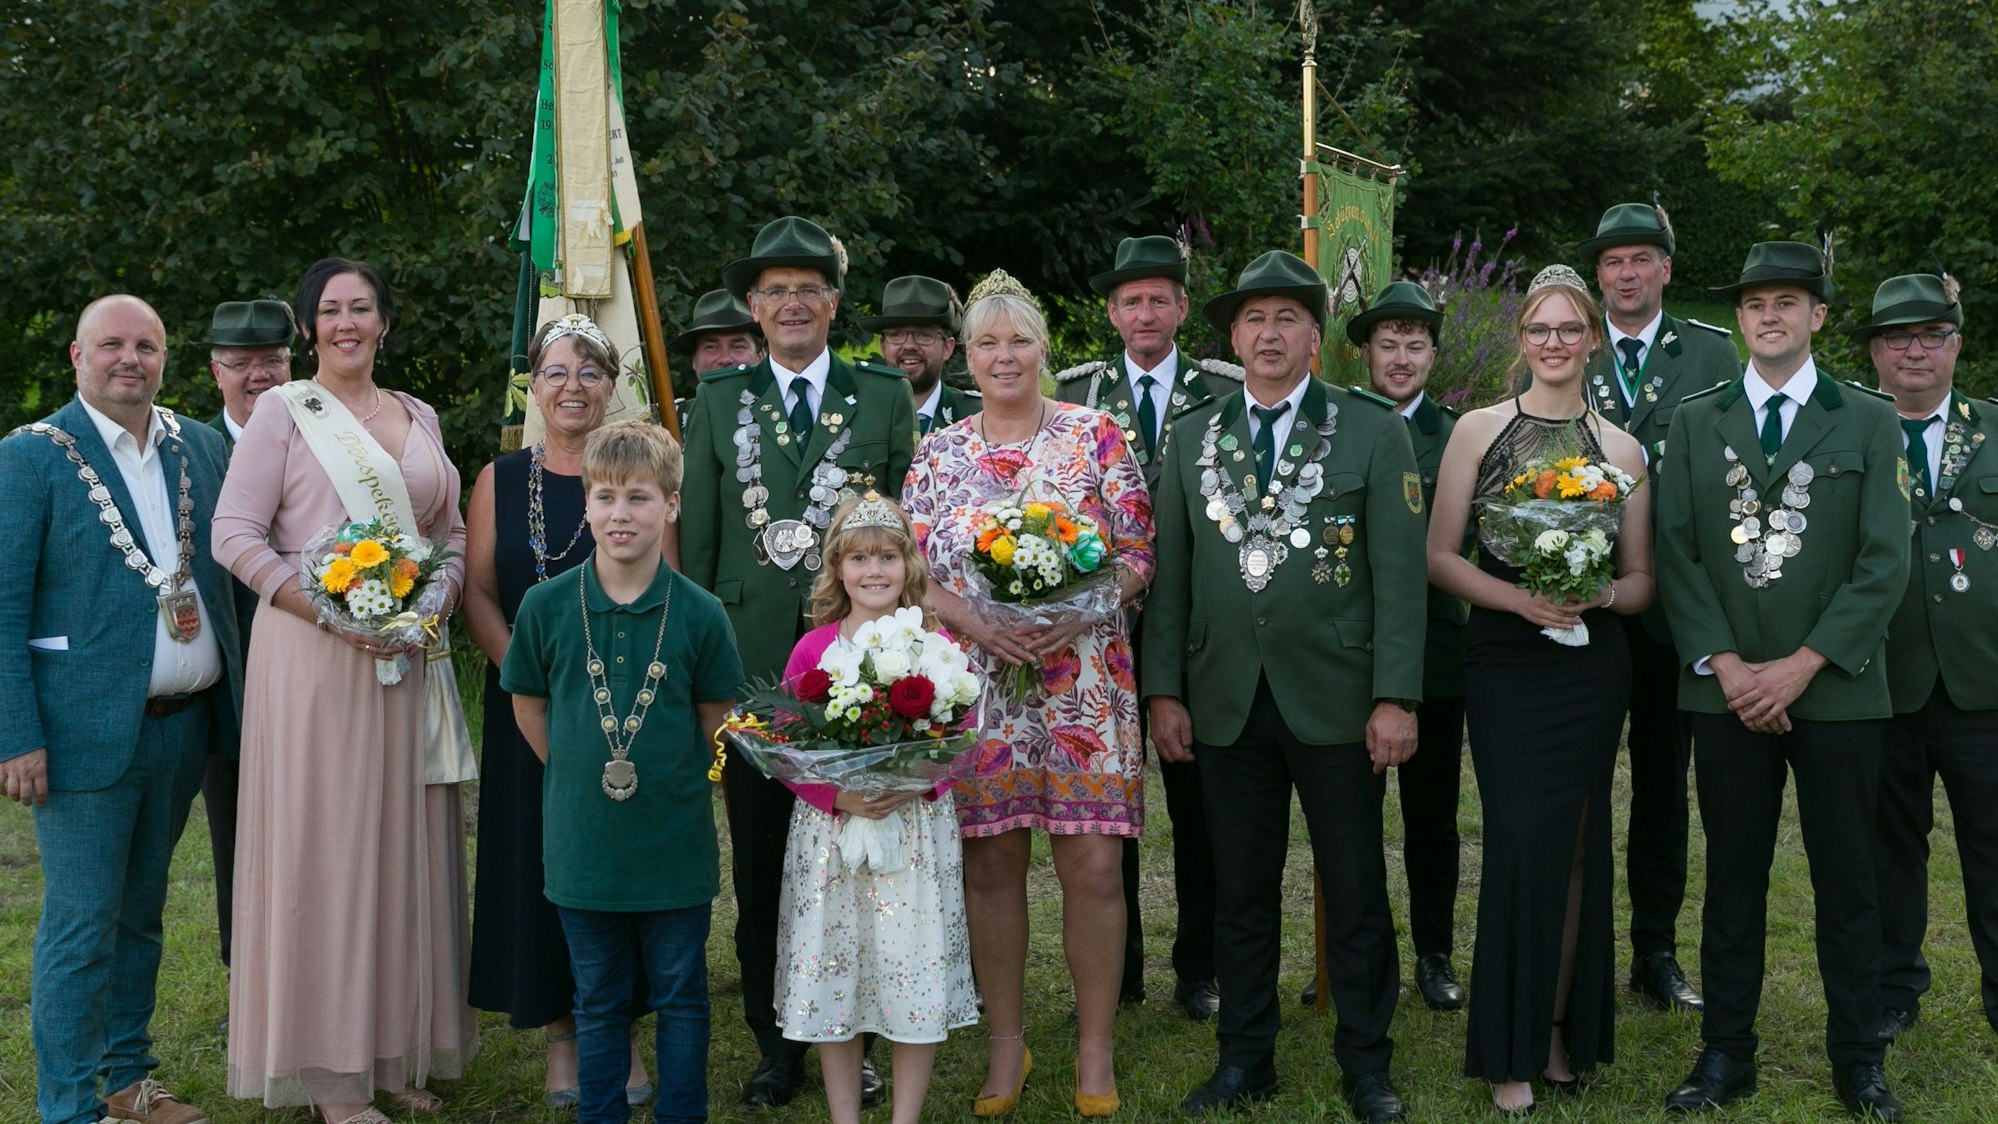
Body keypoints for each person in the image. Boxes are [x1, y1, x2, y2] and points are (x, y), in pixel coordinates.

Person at [1144, 251, 1425, 1123]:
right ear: (1232, 336)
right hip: (1224, 699)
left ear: (1315, 339)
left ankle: (1367, 1064)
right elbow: (1171, 578)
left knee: (1354, 888)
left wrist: (1396, 696)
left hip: (1339, 700)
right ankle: (1245, 1058)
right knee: (1240, 890)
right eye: (1254, 320)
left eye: (1288, 319)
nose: (1270, 335)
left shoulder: (1373, 429)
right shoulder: (1191, 436)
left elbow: (1399, 577)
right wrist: (1163, 690)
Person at [215, 258, 476, 1124]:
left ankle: (394, 1049)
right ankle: (330, 1074)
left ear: (385, 321)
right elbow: (233, 535)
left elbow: (451, 530)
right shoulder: (282, 416)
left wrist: (436, 596)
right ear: (306, 328)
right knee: (329, 855)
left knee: (407, 849)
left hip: (407, 658)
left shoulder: (420, 415)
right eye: (329, 311)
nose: (345, 323)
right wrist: (326, 611)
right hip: (318, 664)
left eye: (360, 308)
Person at [1654, 241, 1908, 1120]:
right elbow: (1675, 551)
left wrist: (1801, 667)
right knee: (1731, 882)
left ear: (1820, 318)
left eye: (1789, 302)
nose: (1771, 316)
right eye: (1756, 302)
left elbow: (1884, 560)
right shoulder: (1697, 419)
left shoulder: (1869, 419)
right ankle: (1726, 1056)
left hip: (1833, 689)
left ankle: (1858, 1061)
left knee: (1849, 883)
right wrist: (1728, 665)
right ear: (1739, 318)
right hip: (1725, 692)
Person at [901, 269, 1155, 1117]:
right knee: (991, 861)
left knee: (1092, 863)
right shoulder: (937, 453)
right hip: (978, 686)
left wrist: (1070, 612)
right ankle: (1005, 1046)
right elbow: (914, 572)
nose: (1003, 356)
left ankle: (1094, 1049)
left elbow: (1136, 554)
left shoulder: (1095, 435)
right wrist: (978, 621)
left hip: (1081, 678)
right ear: (965, 357)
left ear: (1046, 349)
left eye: (1019, 341)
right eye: (986, 342)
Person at [680, 215, 917, 1107]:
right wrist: (704, 681)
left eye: (807, 289)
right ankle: (777, 1042)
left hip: (862, 669)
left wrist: (901, 663)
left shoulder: (883, 395)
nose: (790, 304)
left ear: (833, 302)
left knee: (866, 854)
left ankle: (868, 1028)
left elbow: (905, 543)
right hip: (748, 674)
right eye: (773, 291)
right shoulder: (718, 400)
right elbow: (697, 552)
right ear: (753, 306)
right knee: (764, 862)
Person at [1, 294, 243, 1124]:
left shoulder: (200, 447)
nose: (129, 359)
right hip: (78, 738)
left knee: (141, 916)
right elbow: (1, 607)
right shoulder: (28, 459)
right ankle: (69, 1108)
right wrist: (16, 736)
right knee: (80, 929)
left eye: (146, 345)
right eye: (112, 345)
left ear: (166, 358)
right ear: (76, 355)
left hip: (185, 729)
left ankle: (127, 1079)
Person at [1427, 266, 1653, 1115]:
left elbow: (1640, 580)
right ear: (1521, 340)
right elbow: (1441, 555)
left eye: (1569, 330)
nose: (1553, 344)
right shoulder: (1479, 431)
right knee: (1523, 839)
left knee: (1579, 847)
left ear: (1593, 339)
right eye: (1539, 330)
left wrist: (1594, 595)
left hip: (1590, 664)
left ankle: (1561, 1029)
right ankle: (1509, 1046)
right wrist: (1521, 598)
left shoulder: (1622, 450)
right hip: (1507, 656)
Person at [502, 419, 743, 1124]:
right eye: (604, 497)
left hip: (673, 845)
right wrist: (581, 773)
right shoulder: (546, 607)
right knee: (598, 1001)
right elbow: (528, 706)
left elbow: (714, 720)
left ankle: (681, 1114)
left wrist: (666, 783)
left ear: (670, 505)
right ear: (586, 504)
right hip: (584, 846)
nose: (620, 514)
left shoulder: (700, 614)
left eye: (639, 498)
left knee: (681, 995)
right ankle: (600, 1114)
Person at [465, 314, 652, 1106]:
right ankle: (563, 1036)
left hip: (624, 716)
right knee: (540, 866)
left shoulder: (641, 469)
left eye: (589, 372)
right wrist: (527, 679)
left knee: (620, 870)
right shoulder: (499, 480)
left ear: (613, 386)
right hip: (526, 709)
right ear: (533, 387)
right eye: (555, 372)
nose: (572, 386)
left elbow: (664, 588)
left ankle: (622, 1031)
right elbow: (476, 591)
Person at [1055, 233, 1243, 1018]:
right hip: (1102, 628)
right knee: (1107, 806)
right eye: (1131, 300)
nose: (1146, 312)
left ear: (1183, 308)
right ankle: (1120, 969)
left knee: (1199, 802)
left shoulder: (1226, 387)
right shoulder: (1075, 393)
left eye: (1160, 298)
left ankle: (1198, 968)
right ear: (1110, 311)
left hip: (1198, 623)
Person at [772, 494, 979, 1124]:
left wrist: (914, 784)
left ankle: (905, 1117)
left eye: (888, 557)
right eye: (859, 558)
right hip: (832, 834)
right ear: (837, 567)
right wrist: (838, 794)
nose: (874, 571)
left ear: (908, 566)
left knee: (910, 964)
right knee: (837, 966)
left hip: (911, 830)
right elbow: (784, 745)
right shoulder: (812, 651)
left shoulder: (934, 645)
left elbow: (960, 739)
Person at [1580, 201, 1741, 1012]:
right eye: (1613, 262)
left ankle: (1655, 950)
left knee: (1662, 785)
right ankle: (1579, 950)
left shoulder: (1712, 355)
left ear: (1666, 270)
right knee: (1578, 783)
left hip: (1676, 612)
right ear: (1597, 275)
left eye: (1642, 259)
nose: (1628, 274)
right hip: (1585, 605)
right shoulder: (1564, 349)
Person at [1865, 272, 1998, 1044]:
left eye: (1931, 336)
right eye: (1896, 338)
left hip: (1985, 680)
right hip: (1885, 675)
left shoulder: (1994, 427)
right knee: (1889, 847)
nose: (1915, 351)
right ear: (1876, 353)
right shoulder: (1851, 429)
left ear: (1956, 344)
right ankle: (1892, 989)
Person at [1348, 280, 1471, 1013]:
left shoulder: (1456, 436)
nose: (1401, 359)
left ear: (1433, 353)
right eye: (1388, 345)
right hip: (1348, 649)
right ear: (1365, 353)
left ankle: (1434, 953)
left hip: (1434, 648)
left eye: (1415, 345)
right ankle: (1356, 957)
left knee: (1432, 816)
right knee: (1348, 818)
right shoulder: (1343, 426)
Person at [199, 297, 295, 982]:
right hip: (227, 682)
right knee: (238, 837)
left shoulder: (327, 436)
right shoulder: (192, 453)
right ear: (215, 372)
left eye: (273, 361)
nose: (258, 375)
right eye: (242, 364)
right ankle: (248, 982)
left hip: (316, 668)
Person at [859, 274, 981, 437]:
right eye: (897, 335)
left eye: (924, 335)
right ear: (883, 345)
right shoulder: (857, 416)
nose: (909, 345)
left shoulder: (978, 417)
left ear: (948, 348)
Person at [671, 288, 764, 432]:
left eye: (738, 346)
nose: (725, 359)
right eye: (711, 347)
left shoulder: (789, 412)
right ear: (694, 360)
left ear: (761, 356)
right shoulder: (670, 421)